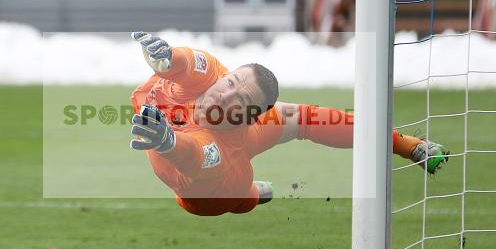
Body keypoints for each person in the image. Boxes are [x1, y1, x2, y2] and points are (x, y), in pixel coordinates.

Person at [129, 31, 448, 216]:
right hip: (200, 142)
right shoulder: (211, 73)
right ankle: (407, 143)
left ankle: (252, 194)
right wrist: (168, 56)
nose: (226, 96)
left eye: (240, 102)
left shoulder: (222, 148)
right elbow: (187, 61)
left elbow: (195, 153)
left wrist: (168, 143)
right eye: (231, 83)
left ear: (250, 118)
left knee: (237, 192)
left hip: (208, 192)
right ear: (225, 75)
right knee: (303, 116)